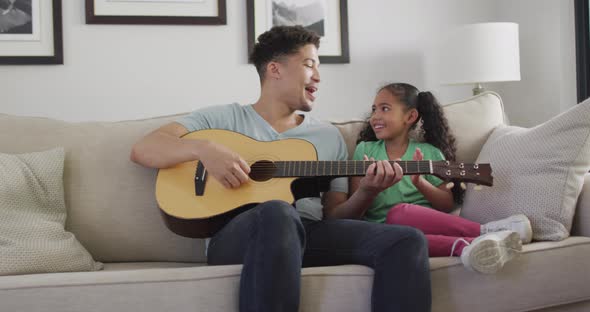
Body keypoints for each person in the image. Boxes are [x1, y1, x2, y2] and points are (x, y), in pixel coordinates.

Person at [131, 26, 431, 312]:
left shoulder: (327, 136)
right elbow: (144, 148)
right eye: (309, 64)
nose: (318, 76)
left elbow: (337, 215)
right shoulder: (221, 119)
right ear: (275, 69)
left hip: (309, 232)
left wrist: (367, 191)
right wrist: (203, 149)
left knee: (407, 239)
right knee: (278, 211)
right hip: (237, 235)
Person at [343, 82, 533, 274]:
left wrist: (420, 182)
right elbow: (356, 212)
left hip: (427, 225)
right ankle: (470, 245)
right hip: (384, 233)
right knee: (401, 235)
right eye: (374, 109)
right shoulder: (365, 150)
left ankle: (487, 231)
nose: (375, 116)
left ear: (410, 116)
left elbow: (446, 205)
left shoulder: (429, 153)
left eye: (385, 109)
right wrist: (369, 188)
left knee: (399, 213)